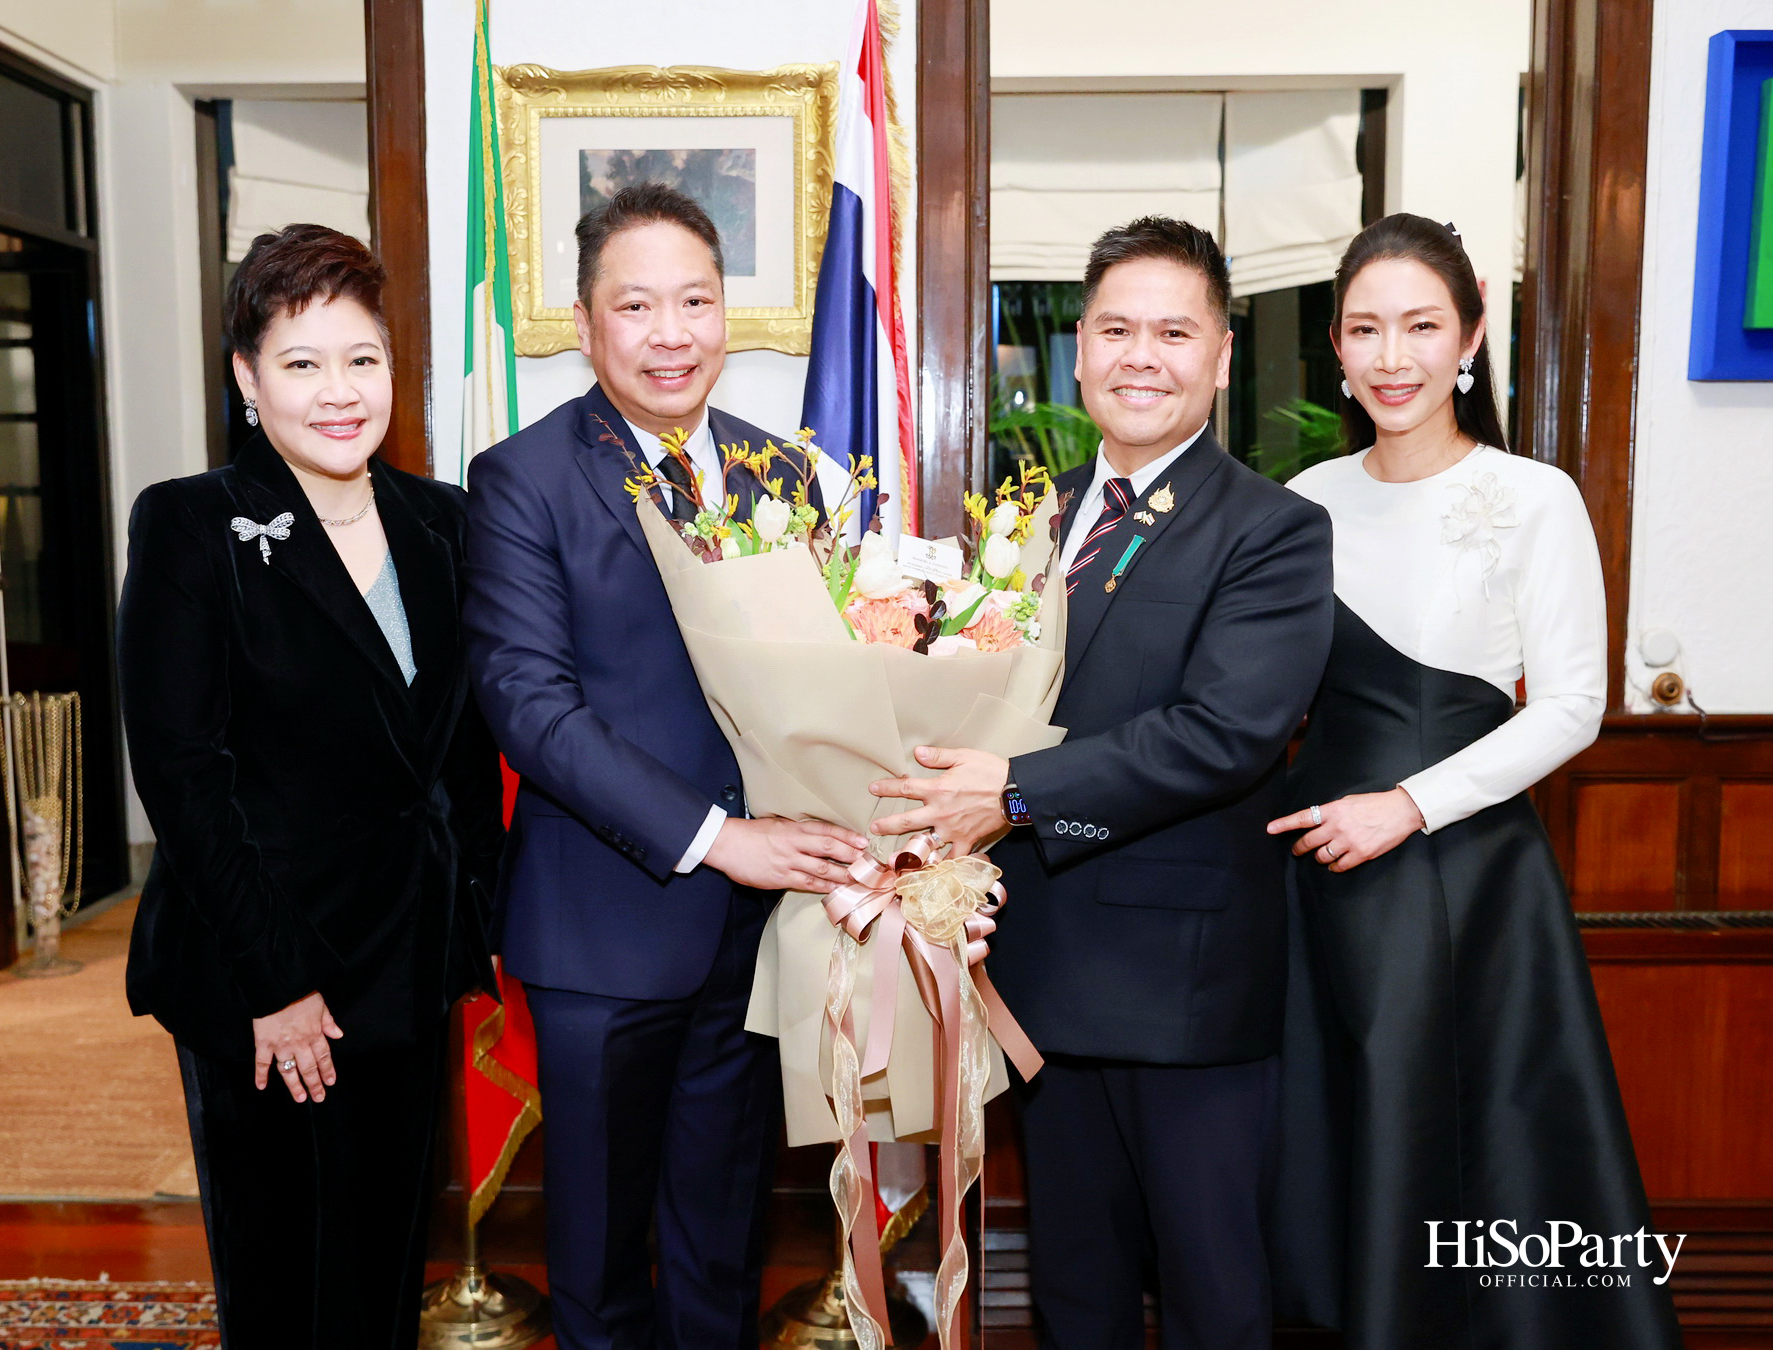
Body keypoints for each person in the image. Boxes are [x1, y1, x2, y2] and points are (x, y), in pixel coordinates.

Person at [868, 216, 1336, 1349]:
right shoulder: (1024, 520)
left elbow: (1225, 733)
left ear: (1221, 356)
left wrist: (1014, 794)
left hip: (1181, 983)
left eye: (1174, 333)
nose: (1142, 357)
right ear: (1079, 350)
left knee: (1213, 1294)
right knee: (1075, 1290)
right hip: (1035, 969)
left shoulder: (1273, 530)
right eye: (1117, 330)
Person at [1266, 213, 1681, 1348]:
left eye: (1421, 326)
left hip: (1464, 874)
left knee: (1465, 1140)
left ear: (1471, 337)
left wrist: (1408, 806)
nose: (1392, 356)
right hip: (1319, 872)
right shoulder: (1303, 500)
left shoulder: (1535, 496)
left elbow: (1573, 705)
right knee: (1345, 1142)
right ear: (1336, 348)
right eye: (1365, 329)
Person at [461, 182, 864, 1350]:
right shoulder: (524, 478)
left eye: (695, 301)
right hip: (603, 926)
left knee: (723, 1242)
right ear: (585, 324)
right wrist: (719, 839)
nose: (671, 332)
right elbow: (531, 710)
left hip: (759, 932)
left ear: (726, 311)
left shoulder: (785, 474)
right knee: (597, 1258)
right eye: (635, 305)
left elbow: (829, 680)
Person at [118, 223, 503, 1349]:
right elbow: (183, 776)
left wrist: (471, 915)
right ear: (248, 378)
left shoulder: (441, 521)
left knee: (383, 1277)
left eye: (362, 358)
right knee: (285, 1289)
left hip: (406, 958)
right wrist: (277, 981)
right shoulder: (191, 524)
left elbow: (460, 746)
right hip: (263, 968)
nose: (340, 392)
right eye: (302, 362)